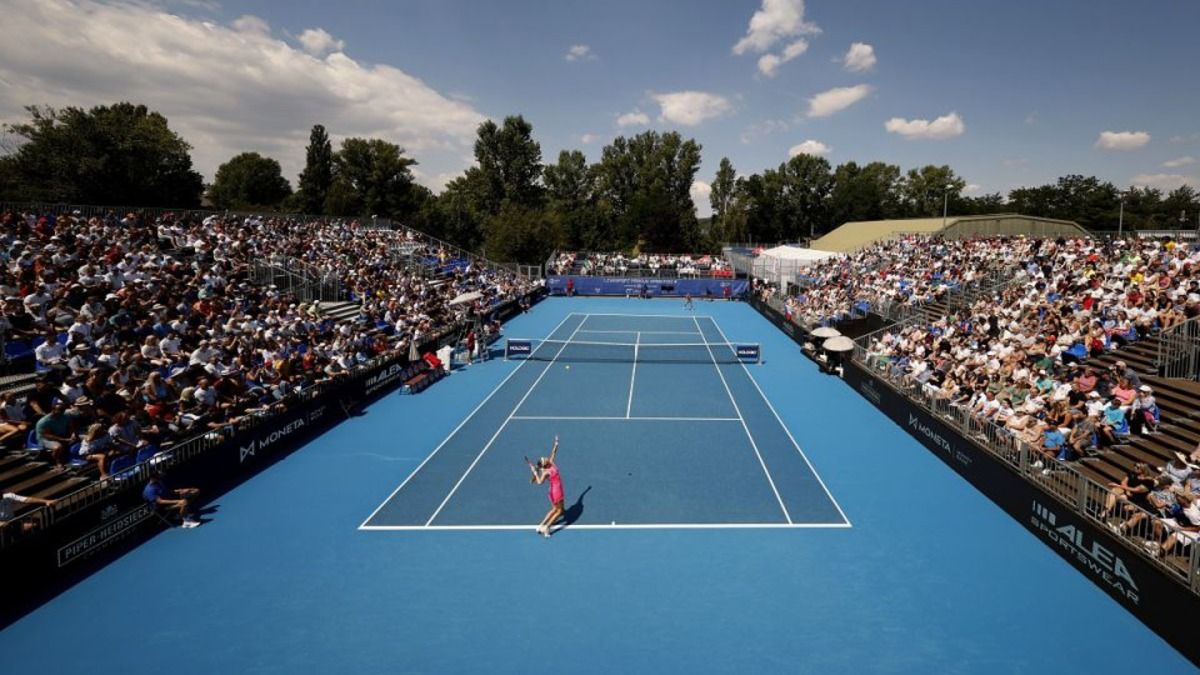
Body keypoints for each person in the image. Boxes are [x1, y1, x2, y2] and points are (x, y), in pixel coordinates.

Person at [528, 436, 564, 537]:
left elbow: (553, 453)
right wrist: (535, 474)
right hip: (556, 492)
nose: (546, 458)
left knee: (554, 509)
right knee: (559, 511)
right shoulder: (546, 472)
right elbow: (539, 482)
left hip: (553, 491)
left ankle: (540, 525)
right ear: (545, 464)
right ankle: (547, 528)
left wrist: (556, 443)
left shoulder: (550, 463)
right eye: (545, 459)